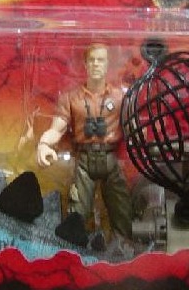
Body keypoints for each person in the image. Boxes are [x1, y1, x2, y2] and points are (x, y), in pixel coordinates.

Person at [37, 43, 133, 249]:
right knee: (77, 214)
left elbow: (133, 128)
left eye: (101, 60)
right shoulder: (72, 98)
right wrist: (44, 144)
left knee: (122, 211)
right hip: (84, 161)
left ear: (107, 64)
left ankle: (123, 250)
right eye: (92, 60)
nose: (96, 64)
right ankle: (75, 253)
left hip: (110, 159)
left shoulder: (120, 97)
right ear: (85, 64)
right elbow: (57, 129)